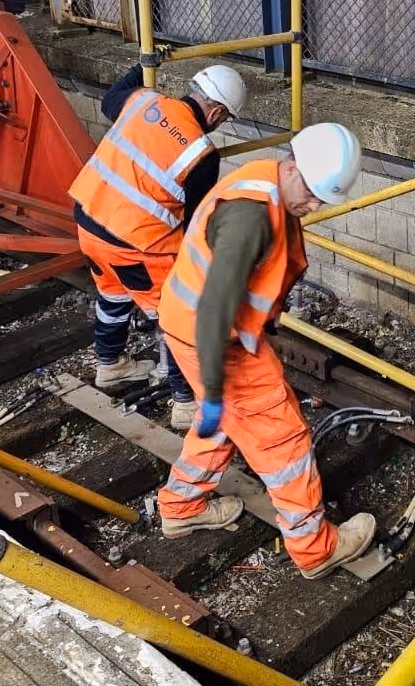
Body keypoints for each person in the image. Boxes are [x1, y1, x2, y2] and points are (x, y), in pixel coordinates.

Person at [157, 123, 377, 580]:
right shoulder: (250, 218)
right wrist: (216, 386)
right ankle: (315, 547)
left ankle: (180, 504)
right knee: (283, 438)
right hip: (213, 337)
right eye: (313, 194)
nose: (314, 207)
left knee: (225, 422)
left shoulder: (264, 183)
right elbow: (218, 303)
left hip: (189, 326)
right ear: (293, 168)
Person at [68, 62, 248, 431]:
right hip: (136, 244)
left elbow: (113, 96)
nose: (220, 124)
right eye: (225, 118)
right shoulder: (202, 154)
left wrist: (144, 65)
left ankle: (110, 365)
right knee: (177, 318)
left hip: (89, 221)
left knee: (113, 297)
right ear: (215, 112)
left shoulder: (140, 102)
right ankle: (185, 403)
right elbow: (195, 222)